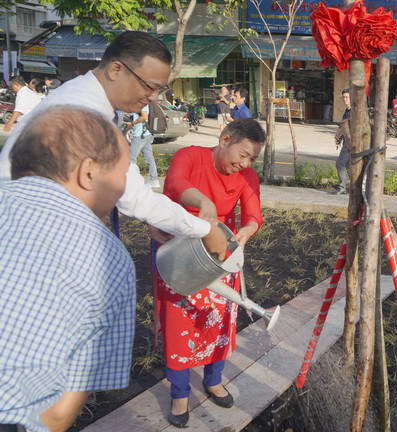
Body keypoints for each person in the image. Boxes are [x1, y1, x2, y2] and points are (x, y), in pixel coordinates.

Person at [0, 31, 227, 258]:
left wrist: (155, 216)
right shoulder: (85, 113)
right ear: (116, 70)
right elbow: (133, 196)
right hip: (28, 242)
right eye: (150, 86)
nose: (154, 97)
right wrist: (205, 230)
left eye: (160, 90)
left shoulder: (83, 95)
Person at [0, 106, 135, 432]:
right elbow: (59, 414)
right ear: (89, 172)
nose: (124, 186)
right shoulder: (111, 261)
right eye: (124, 173)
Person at [152, 118, 265, 428]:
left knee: (217, 320)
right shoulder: (189, 156)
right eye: (242, 154)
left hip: (218, 251)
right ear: (225, 138)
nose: (244, 163)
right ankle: (180, 392)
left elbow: (253, 214)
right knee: (179, 326)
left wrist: (245, 232)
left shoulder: (247, 177)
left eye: (252, 158)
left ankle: (213, 379)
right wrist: (204, 203)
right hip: (177, 246)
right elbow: (175, 184)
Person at [124, 104, 160, 188]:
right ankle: (154, 180)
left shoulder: (141, 104)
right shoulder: (141, 103)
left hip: (140, 136)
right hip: (146, 134)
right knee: (149, 158)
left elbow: (144, 117)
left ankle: (130, 182)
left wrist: (132, 123)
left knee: (131, 159)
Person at [333, 88, 352, 195]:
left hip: (350, 143)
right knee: (348, 165)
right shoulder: (348, 110)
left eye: (347, 97)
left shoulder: (352, 111)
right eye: (343, 97)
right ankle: (355, 187)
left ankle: (342, 187)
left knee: (340, 163)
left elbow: (347, 124)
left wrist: (339, 132)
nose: (345, 99)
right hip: (347, 141)